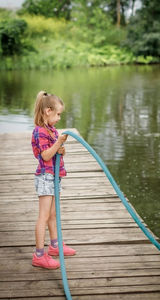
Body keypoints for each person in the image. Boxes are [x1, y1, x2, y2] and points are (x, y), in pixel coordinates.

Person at [31, 91, 76, 269]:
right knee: (43, 216)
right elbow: (45, 154)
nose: (59, 118)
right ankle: (39, 255)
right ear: (48, 111)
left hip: (54, 177)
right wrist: (58, 144)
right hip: (45, 177)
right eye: (58, 114)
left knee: (53, 214)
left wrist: (60, 149)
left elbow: (55, 152)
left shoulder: (51, 130)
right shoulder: (40, 131)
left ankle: (55, 246)